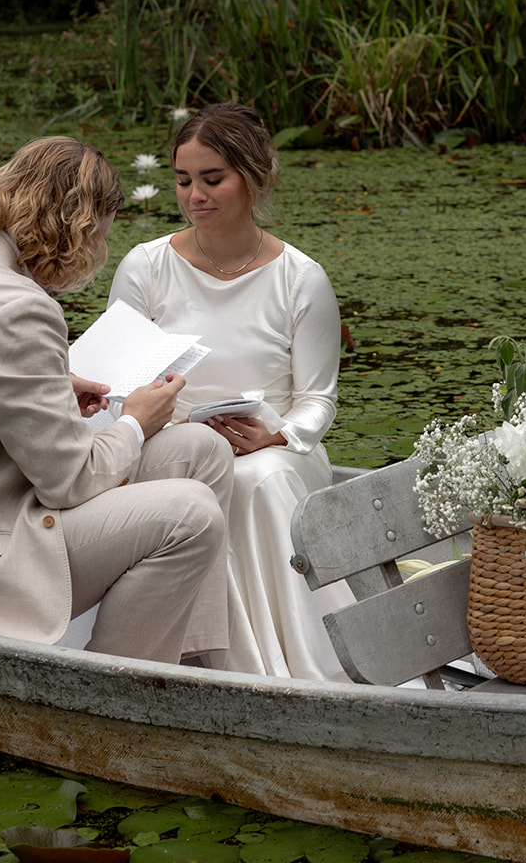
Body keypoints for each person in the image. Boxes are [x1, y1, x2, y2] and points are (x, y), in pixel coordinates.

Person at [0, 136, 233, 667]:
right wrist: (135, 424)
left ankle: (188, 666)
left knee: (201, 450)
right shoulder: (18, 309)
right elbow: (69, 481)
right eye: (102, 229)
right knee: (192, 515)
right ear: (78, 223)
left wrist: (54, 383)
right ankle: (108, 703)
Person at [107, 102, 349, 679]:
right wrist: (163, 422)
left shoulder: (301, 278)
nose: (195, 195)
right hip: (170, 441)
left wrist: (277, 434)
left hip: (275, 449)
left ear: (253, 177)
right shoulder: (145, 267)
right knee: (202, 474)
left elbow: (318, 398)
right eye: (183, 180)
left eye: (213, 179)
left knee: (257, 480)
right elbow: (118, 382)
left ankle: (284, 661)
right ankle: (199, 654)